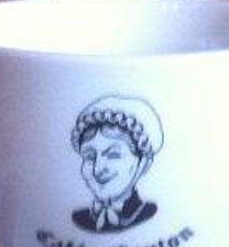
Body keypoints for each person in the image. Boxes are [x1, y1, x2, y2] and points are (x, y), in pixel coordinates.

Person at [68, 96, 163, 233]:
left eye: (113, 155)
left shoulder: (149, 212)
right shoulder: (79, 218)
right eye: (89, 157)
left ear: (143, 164)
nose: (98, 169)